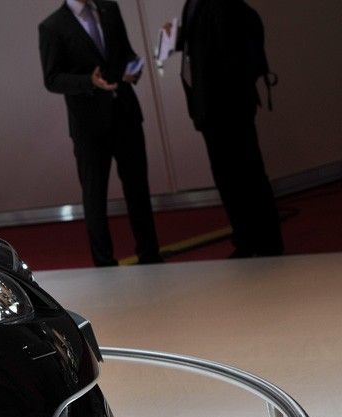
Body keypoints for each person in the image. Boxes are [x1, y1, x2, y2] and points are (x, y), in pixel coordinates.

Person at [39, 1, 162, 267]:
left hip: (125, 113)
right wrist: (89, 82)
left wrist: (133, 68)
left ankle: (150, 254)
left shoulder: (109, 9)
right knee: (95, 196)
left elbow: (126, 52)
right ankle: (104, 263)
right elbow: (52, 78)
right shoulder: (52, 26)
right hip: (89, 125)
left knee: (138, 189)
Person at [173, 0, 283, 258]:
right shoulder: (192, 4)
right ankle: (245, 239)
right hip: (209, 110)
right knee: (228, 179)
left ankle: (268, 242)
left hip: (230, 108)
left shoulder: (222, 3)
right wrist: (177, 38)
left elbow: (229, 55)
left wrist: (228, 100)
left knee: (249, 175)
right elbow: (201, 44)